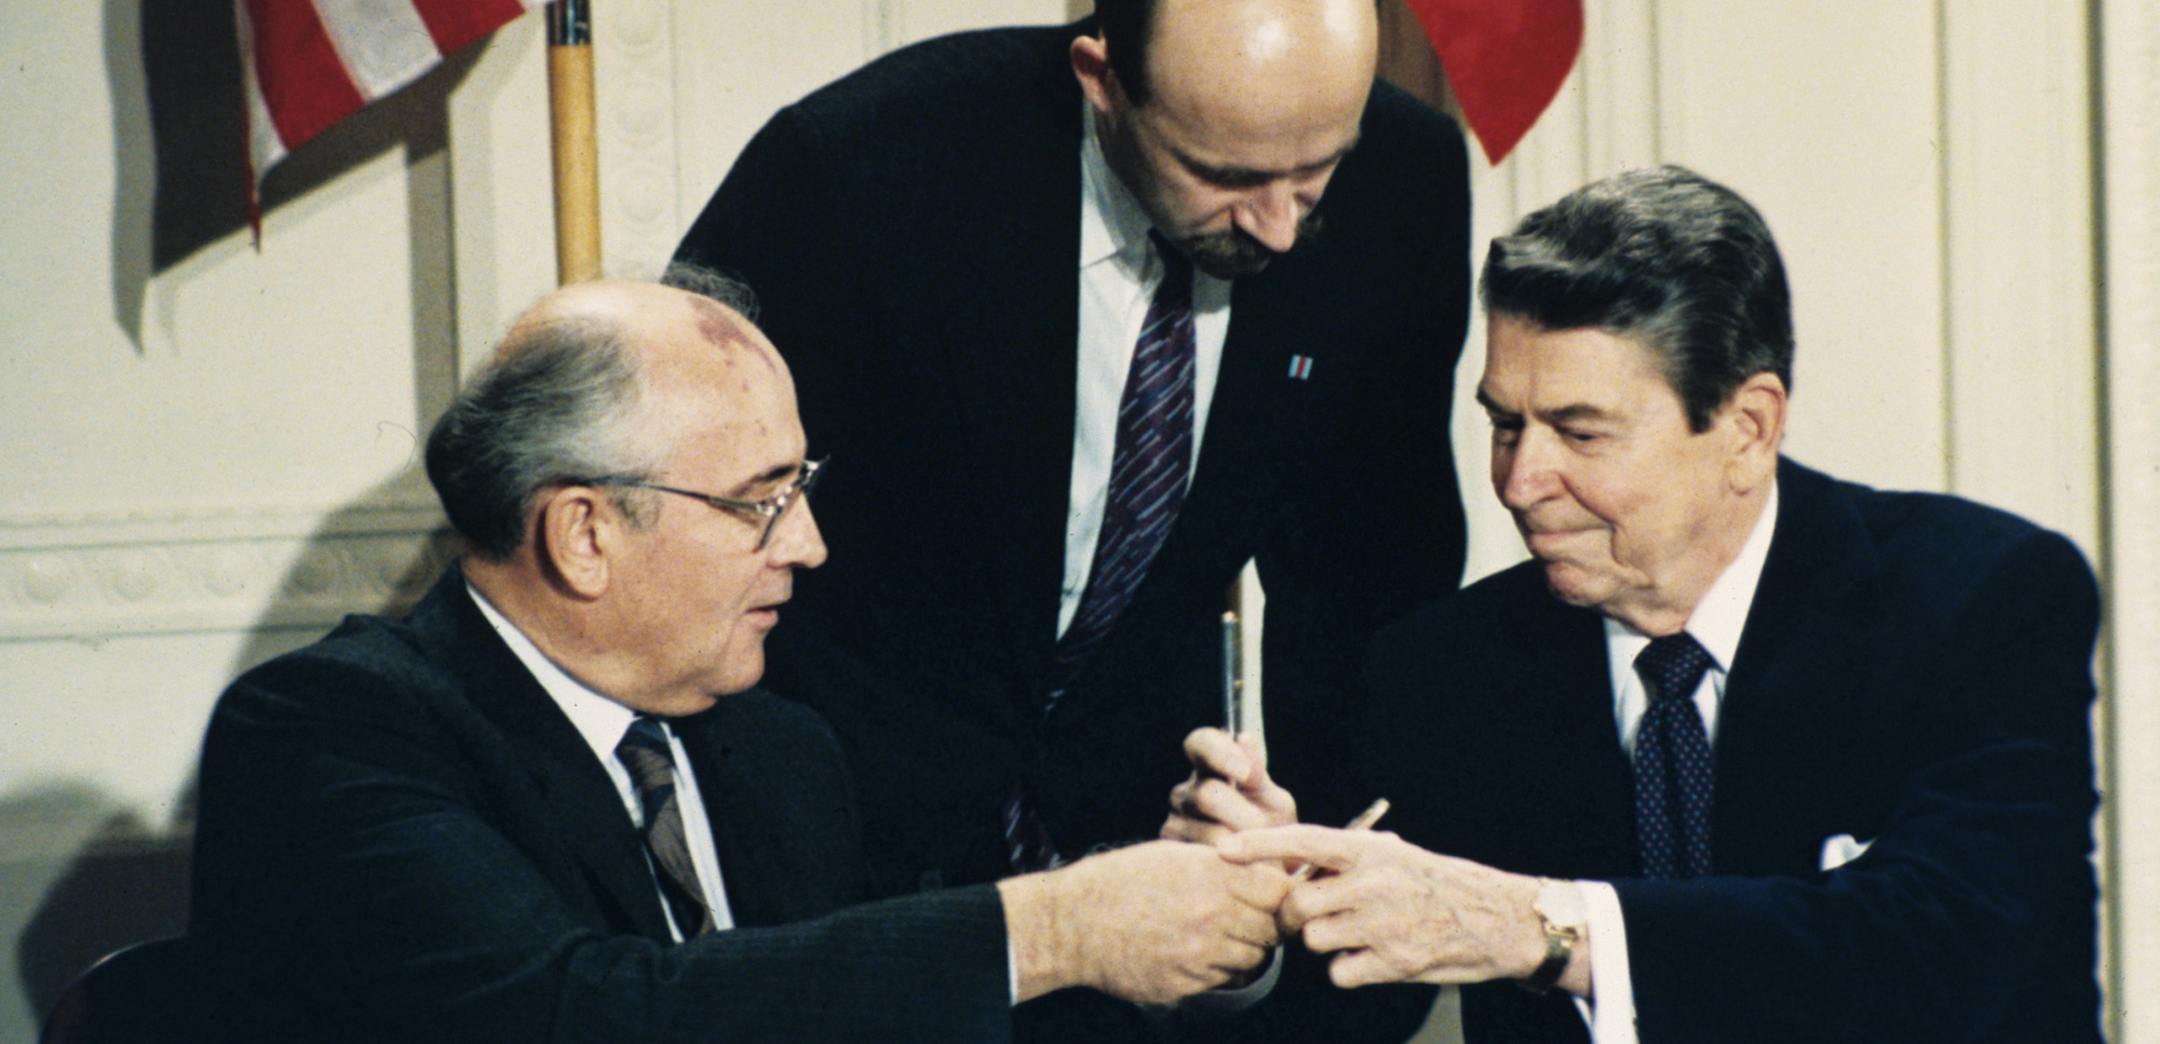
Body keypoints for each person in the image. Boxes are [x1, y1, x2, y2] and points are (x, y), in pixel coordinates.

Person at [187, 274, 1292, 1043]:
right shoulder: (327, 733)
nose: (809, 545)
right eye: (761, 501)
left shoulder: (772, 747)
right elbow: (582, 1017)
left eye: (800, 489)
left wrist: (1199, 920)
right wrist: (1062, 923)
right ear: (585, 533)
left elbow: (890, 1000)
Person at [1173, 165, 2102, 1042]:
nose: (1521, 482)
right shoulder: (1439, 668)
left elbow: (1949, 950)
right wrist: (1260, 907)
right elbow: (1340, 1012)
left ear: (1748, 429)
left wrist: (1534, 926)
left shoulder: (1984, 600)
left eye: (1580, 432)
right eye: (1504, 424)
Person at [670, 0, 1471, 913]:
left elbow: (1370, 578)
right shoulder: (859, 164)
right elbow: (693, 508)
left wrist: (1320, 908)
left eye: (1318, 170)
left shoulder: (1407, 180)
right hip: (849, 838)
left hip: (1140, 846)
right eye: (1225, 173)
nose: (1280, 227)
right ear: (1101, 80)